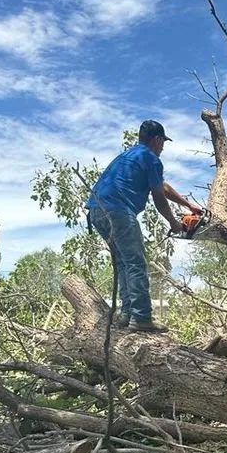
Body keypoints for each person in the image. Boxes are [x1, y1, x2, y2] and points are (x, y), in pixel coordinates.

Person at [86, 120, 203, 331]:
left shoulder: (129, 156)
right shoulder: (150, 158)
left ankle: (126, 315)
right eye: (163, 142)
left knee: (123, 263)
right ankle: (141, 318)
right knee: (136, 263)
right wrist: (174, 223)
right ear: (157, 140)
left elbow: (162, 186)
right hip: (117, 210)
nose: (163, 147)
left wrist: (187, 204)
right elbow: (159, 198)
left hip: (96, 210)